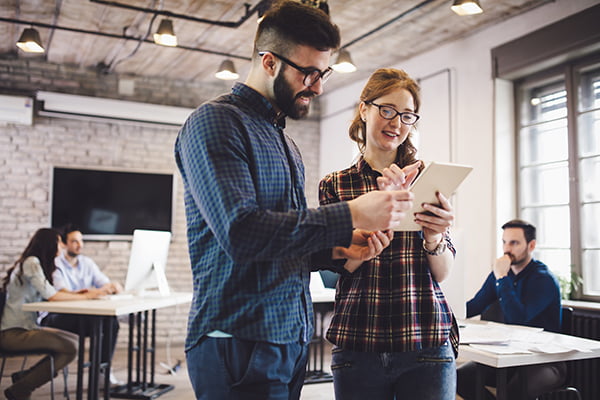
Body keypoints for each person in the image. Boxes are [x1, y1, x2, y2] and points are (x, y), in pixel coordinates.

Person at [174, 2, 415, 399]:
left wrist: (339, 248)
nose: (318, 87)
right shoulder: (215, 123)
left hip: (289, 338)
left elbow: (284, 241)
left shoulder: (286, 143)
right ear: (269, 62)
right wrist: (352, 211)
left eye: (324, 73)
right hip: (238, 337)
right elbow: (242, 233)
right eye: (309, 73)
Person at [318, 68, 459, 400]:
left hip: (425, 341)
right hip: (358, 343)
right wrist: (364, 243)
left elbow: (442, 272)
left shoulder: (426, 177)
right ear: (364, 109)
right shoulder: (336, 184)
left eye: (407, 115)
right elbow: (334, 267)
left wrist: (435, 237)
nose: (396, 123)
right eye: (387, 110)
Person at [456, 219, 566, 400]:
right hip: (510, 357)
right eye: (504, 242)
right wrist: (444, 310)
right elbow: (475, 305)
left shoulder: (543, 278)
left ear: (531, 245)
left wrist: (501, 276)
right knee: (460, 377)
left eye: (514, 243)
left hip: (544, 362)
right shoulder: (500, 275)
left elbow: (518, 320)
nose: (507, 249)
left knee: (511, 395)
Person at [1, 228, 104, 400]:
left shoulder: (34, 263)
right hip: (13, 333)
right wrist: (87, 296)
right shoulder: (32, 262)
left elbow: (51, 293)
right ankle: (22, 387)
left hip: (27, 327)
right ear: (49, 244)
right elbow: (52, 296)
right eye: (59, 242)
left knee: (75, 342)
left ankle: (25, 378)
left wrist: (79, 294)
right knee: (70, 348)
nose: (62, 246)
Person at [40, 224, 122, 384]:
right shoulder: (56, 264)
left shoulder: (87, 263)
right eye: (75, 241)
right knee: (101, 324)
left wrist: (112, 286)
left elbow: (103, 282)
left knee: (111, 323)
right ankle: (97, 373)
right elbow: (62, 293)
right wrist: (91, 293)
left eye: (81, 241)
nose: (80, 245)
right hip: (56, 317)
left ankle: (101, 372)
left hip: (81, 314)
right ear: (64, 244)